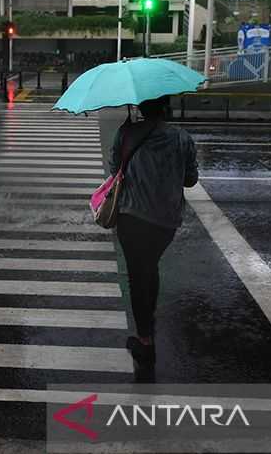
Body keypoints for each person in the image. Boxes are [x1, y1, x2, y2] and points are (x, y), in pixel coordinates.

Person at [109, 96, 198, 368]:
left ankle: (144, 339)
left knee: (138, 274)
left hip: (132, 216)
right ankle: (150, 315)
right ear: (165, 107)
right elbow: (190, 179)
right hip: (167, 219)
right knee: (150, 265)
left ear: (140, 107)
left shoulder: (126, 133)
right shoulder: (182, 138)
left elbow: (115, 172)